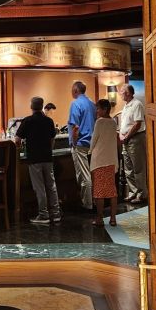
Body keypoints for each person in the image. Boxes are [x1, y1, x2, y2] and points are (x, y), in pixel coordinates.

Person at [16, 96, 61, 225]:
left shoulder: (27, 121)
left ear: (31, 106)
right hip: (47, 157)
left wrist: (21, 147)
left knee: (39, 187)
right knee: (51, 186)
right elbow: (52, 139)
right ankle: (56, 214)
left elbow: (17, 139)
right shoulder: (49, 121)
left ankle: (43, 214)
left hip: (34, 158)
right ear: (42, 106)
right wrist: (49, 150)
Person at [68, 80, 96, 212]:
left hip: (80, 143)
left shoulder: (75, 104)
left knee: (84, 176)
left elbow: (75, 127)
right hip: (92, 143)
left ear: (76, 90)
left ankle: (88, 204)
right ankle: (93, 200)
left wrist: (74, 143)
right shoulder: (92, 103)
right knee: (90, 174)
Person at [89, 99, 118, 227]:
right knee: (112, 191)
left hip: (100, 160)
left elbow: (94, 140)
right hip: (111, 160)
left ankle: (100, 219)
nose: (97, 111)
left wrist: (90, 150)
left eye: (98, 108)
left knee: (99, 192)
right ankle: (113, 218)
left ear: (105, 109)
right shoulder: (113, 122)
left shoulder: (99, 122)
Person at [118, 83, 148, 204]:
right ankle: (133, 192)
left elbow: (137, 124)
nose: (120, 94)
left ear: (128, 93)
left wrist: (126, 136)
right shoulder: (126, 106)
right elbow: (124, 124)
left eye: (121, 91)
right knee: (128, 169)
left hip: (135, 139)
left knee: (138, 168)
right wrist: (121, 135)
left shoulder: (137, 104)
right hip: (126, 140)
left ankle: (142, 194)